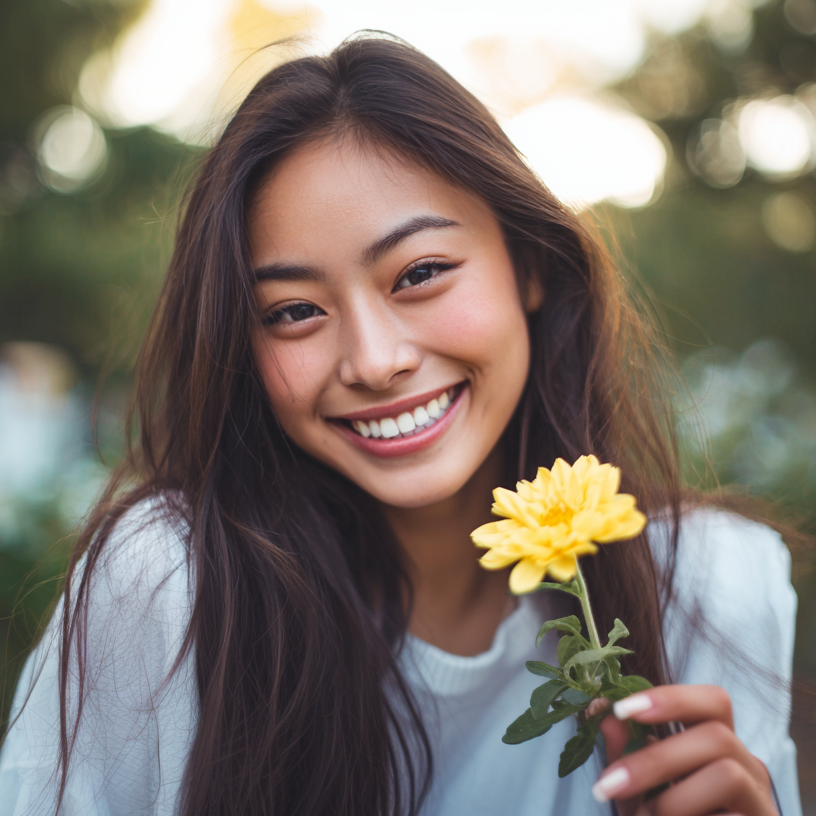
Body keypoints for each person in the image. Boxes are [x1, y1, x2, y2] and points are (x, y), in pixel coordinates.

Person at [0, 34, 801, 816]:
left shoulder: (712, 589)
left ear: (529, 265)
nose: (375, 360)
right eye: (294, 312)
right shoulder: (171, 592)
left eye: (420, 273)